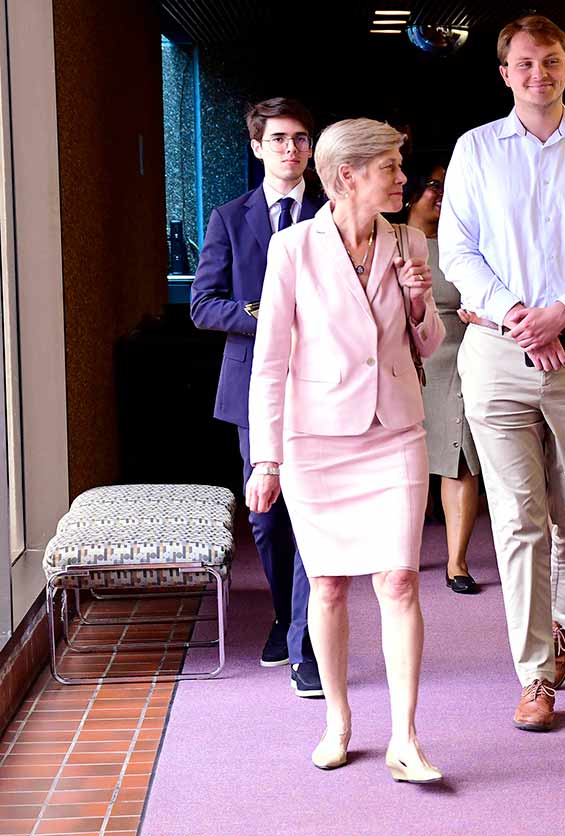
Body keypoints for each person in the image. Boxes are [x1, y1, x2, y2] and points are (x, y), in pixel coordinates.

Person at [439, 14, 565, 731]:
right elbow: (457, 252)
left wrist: (560, 313)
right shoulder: (475, 150)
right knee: (520, 519)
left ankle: (562, 619)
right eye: (524, 64)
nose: (538, 74)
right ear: (504, 73)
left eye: (549, 61)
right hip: (496, 353)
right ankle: (535, 677)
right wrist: (519, 313)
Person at [246, 118, 446, 783]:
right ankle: (337, 721)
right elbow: (270, 361)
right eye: (390, 166)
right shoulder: (292, 249)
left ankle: (406, 737)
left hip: (394, 431)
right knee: (328, 584)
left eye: (399, 163)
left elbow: (428, 345)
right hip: (316, 437)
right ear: (349, 175)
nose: (401, 177)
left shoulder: (410, 240)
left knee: (399, 579)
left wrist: (420, 306)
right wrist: (266, 457)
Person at [190, 97, 324, 698]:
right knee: (267, 520)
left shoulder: (333, 214)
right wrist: (263, 314)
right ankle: (282, 614)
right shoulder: (228, 217)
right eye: (278, 140)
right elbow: (203, 304)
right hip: (252, 388)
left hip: (322, 383)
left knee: (311, 514)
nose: (290, 150)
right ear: (256, 147)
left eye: (300, 139)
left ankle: (305, 643)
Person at [399, 153, 482, 595]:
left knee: (460, 458)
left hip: (457, 357)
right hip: (405, 359)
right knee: (406, 463)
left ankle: (457, 561)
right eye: (434, 185)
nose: (442, 195)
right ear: (412, 189)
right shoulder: (389, 241)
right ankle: (401, 553)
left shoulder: (462, 242)